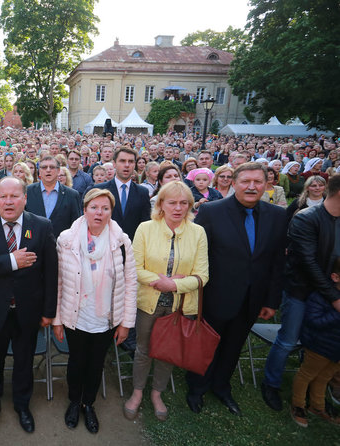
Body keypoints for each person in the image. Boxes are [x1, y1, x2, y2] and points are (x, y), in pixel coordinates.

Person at [186, 163, 287, 416]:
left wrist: (271, 300)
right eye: (245, 181)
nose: (251, 187)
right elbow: (200, 256)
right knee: (207, 345)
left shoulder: (277, 215)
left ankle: (221, 386)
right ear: (233, 184)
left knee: (234, 345)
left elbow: (277, 261)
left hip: (252, 299)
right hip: (216, 296)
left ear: (266, 185)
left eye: (257, 182)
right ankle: (197, 388)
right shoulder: (211, 211)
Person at [0, 177, 57, 436]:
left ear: (25, 198)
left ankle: (22, 406)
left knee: (24, 362)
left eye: (14, 196)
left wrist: (49, 311)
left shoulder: (41, 225)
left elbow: (51, 272)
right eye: (2, 196)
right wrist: (11, 261)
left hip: (28, 311)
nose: (8, 201)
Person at [53, 188, 137, 433]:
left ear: (111, 211)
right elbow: (58, 281)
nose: (99, 213)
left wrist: (126, 323)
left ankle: (88, 403)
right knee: (77, 361)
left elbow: (131, 282)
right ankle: (73, 401)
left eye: (105, 208)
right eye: (94, 207)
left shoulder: (121, 241)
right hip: (75, 314)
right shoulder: (66, 239)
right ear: (85, 209)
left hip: (107, 317)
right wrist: (57, 319)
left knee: (96, 362)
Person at [124, 181, 208, 422]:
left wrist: (174, 285)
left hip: (180, 305)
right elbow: (135, 267)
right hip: (149, 301)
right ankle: (137, 392)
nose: (178, 208)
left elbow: (203, 275)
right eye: (172, 202)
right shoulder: (145, 228)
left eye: (184, 203)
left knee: (168, 351)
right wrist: (158, 281)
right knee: (143, 349)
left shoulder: (198, 232)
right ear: (161, 204)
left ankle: (157, 393)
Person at [261, 174, 340, 412]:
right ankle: (271, 383)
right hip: (301, 291)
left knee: (320, 344)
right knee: (287, 339)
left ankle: (312, 387)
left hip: (330, 293)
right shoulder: (306, 218)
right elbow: (308, 263)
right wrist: (335, 297)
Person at [290, 258, 340, 427]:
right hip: (320, 346)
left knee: (324, 377)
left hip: (336, 351)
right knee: (306, 375)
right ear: (335, 277)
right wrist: (337, 313)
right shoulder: (321, 296)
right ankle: (298, 406)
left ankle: (317, 406)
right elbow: (313, 321)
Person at [92, 147, 150, 243]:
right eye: (122, 161)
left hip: (132, 247)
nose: (127, 165)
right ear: (114, 164)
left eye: (131, 161)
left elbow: (145, 224)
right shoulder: (100, 190)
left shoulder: (142, 192)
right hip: (104, 246)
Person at [25, 156, 82, 238]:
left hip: (61, 245)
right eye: (44, 167)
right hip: (33, 243)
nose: (48, 170)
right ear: (39, 171)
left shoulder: (72, 195)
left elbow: (76, 225)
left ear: (58, 171)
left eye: (52, 167)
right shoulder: (28, 191)